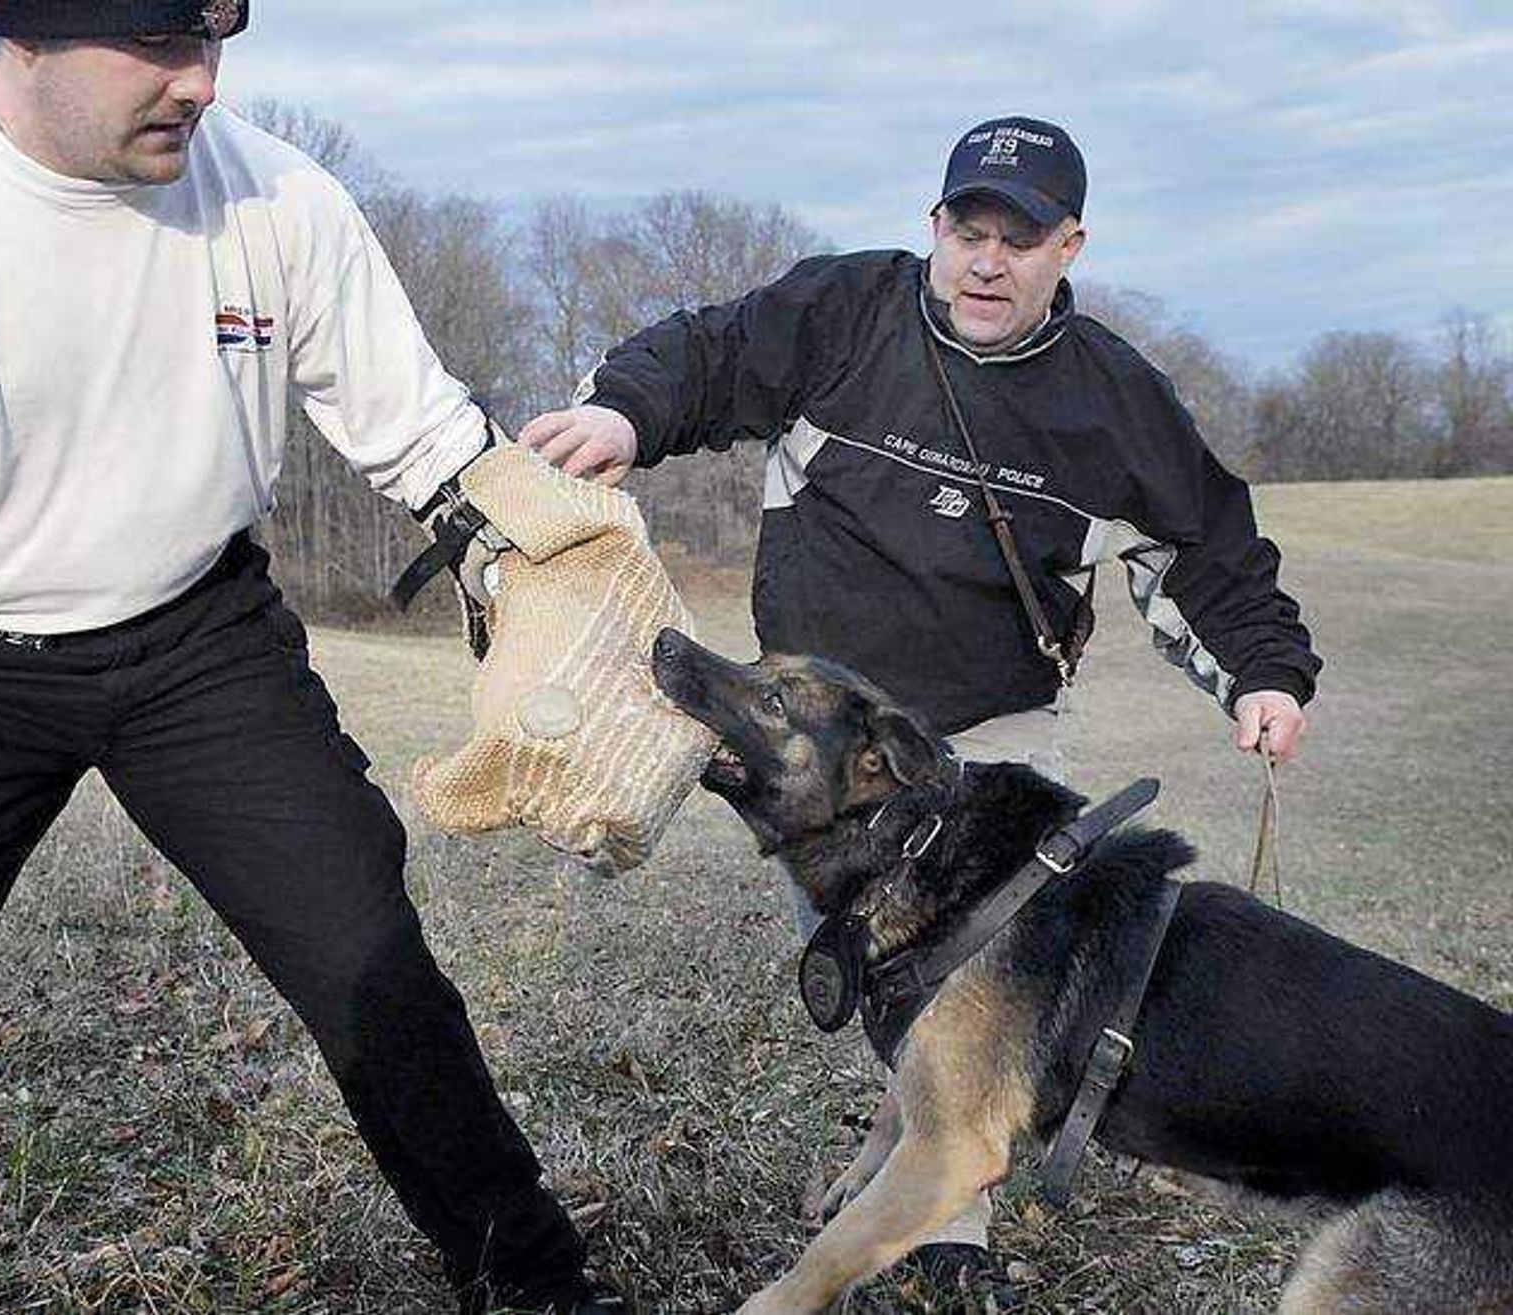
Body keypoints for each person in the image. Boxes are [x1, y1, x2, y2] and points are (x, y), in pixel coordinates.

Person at [0, 3, 624, 1312]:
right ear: (30, 37)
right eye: (159, 47)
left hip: (199, 640)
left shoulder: (277, 197)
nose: (200, 84)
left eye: (215, 42)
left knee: (368, 958)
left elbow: (425, 437)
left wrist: (546, 566)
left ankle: (529, 1276)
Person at [521, 114, 1321, 1294]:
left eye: (1020, 236)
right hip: (824, 748)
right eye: (967, 228)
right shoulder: (845, 315)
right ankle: (911, 1141)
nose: (986, 260)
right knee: (888, 990)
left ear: (1071, 247)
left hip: (989, 743)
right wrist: (625, 412)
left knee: (966, 986)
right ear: (934, 226)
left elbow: (1207, 546)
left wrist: (1263, 671)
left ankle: (947, 1228)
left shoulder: (1114, 400)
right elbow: (710, 354)